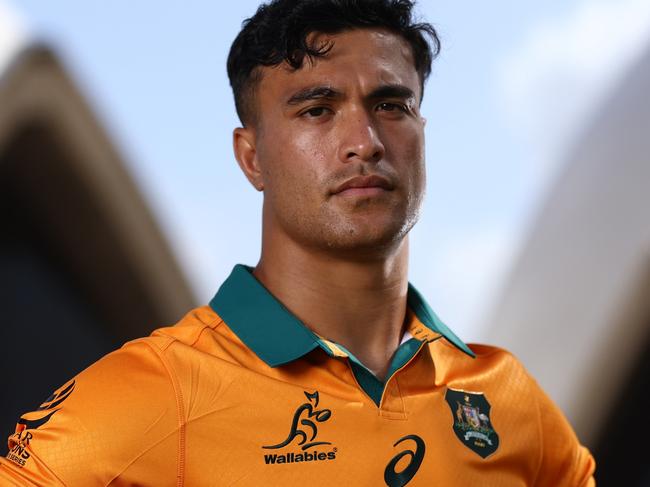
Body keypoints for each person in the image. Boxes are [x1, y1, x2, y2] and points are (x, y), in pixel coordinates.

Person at [1, 0, 595, 485]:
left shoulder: (504, 396)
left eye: (391, 105)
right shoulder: (161, 390)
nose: (364, 141)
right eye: (317, 110)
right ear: (251, 156)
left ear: (421, 130)